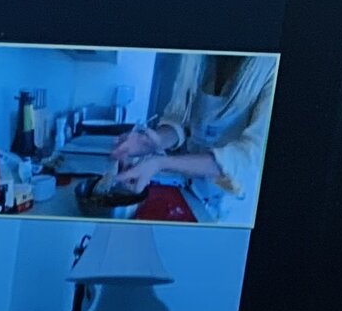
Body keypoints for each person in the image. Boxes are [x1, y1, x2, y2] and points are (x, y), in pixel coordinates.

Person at [105, 52, 277, 224]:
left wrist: (161, 163)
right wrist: (153, 141)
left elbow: (251, 155)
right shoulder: (196, 59)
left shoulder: (271, 68)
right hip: (189, 189)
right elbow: (179, 120)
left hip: (232, 206)